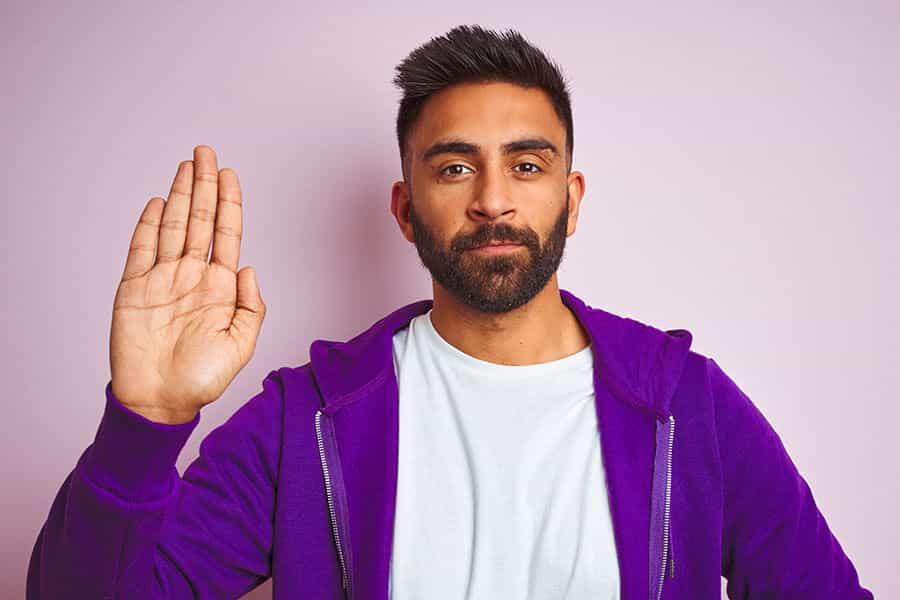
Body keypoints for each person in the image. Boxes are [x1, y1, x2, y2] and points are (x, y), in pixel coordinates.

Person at [27, 24, 872, 599]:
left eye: (529, 166)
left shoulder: (689, 407)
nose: (495, 201)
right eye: (457, 168)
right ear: (405, 207)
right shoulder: (306, 419)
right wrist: (146, 419)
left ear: (571, 200)